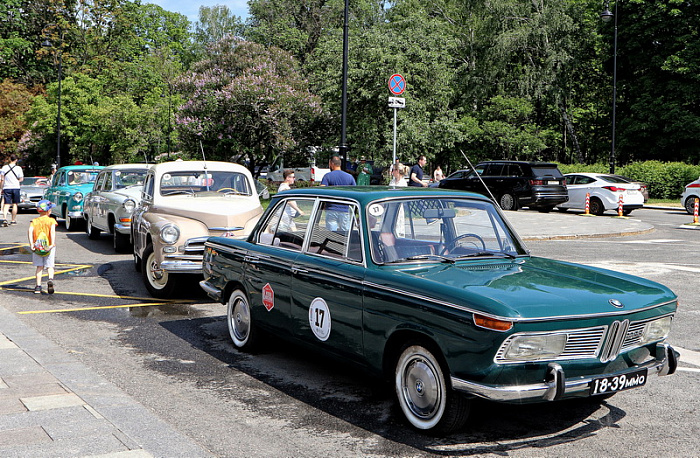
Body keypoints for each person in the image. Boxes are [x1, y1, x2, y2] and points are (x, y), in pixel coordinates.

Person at [28, 200, 59, 294]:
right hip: (48, 247)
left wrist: (31, 244)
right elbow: (52, 232)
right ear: (48, 211)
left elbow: (30, 231)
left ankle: (38, 286)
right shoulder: (51, 221)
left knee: (39, 267)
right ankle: (50, 279)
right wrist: (52, 243)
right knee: (50, 266)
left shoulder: (34, 221)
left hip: (38, 247)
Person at [321, 156, 355, 231]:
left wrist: (323, 205)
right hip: (345, 209)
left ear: (332, 164)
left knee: (331, 234)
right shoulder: (349, 177)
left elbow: (322, 190)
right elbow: (355, 192)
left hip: (331, 208)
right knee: (345, 234)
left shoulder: (327, 176)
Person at [1, 154, 24, 225]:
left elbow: (2, 179)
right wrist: (17, 181)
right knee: (15, 204)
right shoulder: (18, 168)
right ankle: (13, 220)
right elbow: (21, 179)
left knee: (6, 204)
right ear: (16, 160)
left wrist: (1, 188)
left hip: (7, 187)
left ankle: (4, 218)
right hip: (16, 187)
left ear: (9, 159)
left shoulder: (4, 168)